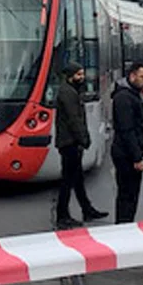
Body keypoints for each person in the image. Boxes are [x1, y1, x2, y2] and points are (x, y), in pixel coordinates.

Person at [53, 61, 108, 228]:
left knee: (77, 179)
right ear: (70, 77)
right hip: (70, 142)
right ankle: (62, 215)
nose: (82, 78)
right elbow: (74, 119)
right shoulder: (68, 93)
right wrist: (83, 139)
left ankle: (87, 209)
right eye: (78, 75)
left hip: (70, 141)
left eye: (82, 74)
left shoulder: (70, 91)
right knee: (68, 180)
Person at [111, 62, 143, 224]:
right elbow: (126, 130)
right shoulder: (123, 97)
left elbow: (142, 121)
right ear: (132, 76)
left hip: (130, 152)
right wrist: (137, 158)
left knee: (131, 194)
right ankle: (123, 227)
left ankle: (126, 225)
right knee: (127, 195)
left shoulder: (134, 94)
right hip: (126, 154)